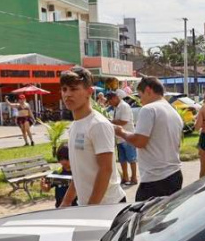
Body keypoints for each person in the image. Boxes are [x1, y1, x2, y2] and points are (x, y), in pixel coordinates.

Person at [58, 66, 126, 207]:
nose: (67, 94)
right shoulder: (74, 126)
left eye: (74, 89)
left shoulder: (98, 124)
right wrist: (66, 202)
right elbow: (79, 173)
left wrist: (91, 209)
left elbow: (105, 170)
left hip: (106, 206)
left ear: (89, 91)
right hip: (87, 206)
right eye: (64, 89)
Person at [115, 77, 183, 201]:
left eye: (140, 96)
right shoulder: (173, 111)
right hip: (174, 174)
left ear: (148, 90)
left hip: (156, 179)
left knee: (143, 218)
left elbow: (139, 141)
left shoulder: (149, 109)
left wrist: (121, 132)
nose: (141, 101)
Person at [108, 89, 138, 186]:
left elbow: (124, 122)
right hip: (120, 138)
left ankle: (134, 178)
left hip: (128, 136)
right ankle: (125, 177)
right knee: (122, 159)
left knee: (131, 158)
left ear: (115, 98)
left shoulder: (124, 106)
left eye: (110, 100)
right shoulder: (116, 107)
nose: (109, 103)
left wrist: (111, 122)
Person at [40, 144, 76, 208]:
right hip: (60, 207)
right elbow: (47, 188)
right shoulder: (57, 173)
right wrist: (43, 186)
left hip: (75, 207)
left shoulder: (77, 173)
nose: (64, 161)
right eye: (61, 159)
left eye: (67, 158)